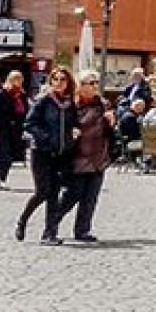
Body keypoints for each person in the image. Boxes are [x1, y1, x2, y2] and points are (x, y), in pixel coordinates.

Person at [48, 70, 114, 243]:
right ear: (81, 85)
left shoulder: (103, 103)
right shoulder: (71, 105)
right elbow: (62, 126)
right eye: (91, 83)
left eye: (96, 82)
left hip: (98, 156)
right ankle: (51, 225)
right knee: (72, 195)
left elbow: (110, 130)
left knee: (91, 197)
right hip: (77, 157)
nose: (95, 86)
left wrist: (111, 122)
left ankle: (82, 230)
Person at [16, 65, 74, 244]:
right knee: (42, 191)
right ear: (51, 81)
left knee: (54, 194)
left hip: (61, 153)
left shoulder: (70, 103)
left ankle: (49, 234)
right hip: (41, 151)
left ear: (68, 83)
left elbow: (74, 123)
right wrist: (46, 137)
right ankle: (23, 220)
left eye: (63, 79)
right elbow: (29, 124)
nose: (59, 82)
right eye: (55, 79)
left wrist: (74, 132)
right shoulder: (43, 101)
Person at [0, 70, 29, 188]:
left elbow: (26, 111)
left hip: (16, 130)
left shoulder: (22, 95)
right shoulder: (2, 94)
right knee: (4, 155)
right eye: (15, 79)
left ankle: (2, 178)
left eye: (20, 79)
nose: (18, 82)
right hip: (2, 128)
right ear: (10, 80)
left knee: (11, 156)